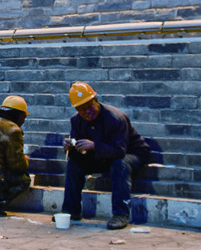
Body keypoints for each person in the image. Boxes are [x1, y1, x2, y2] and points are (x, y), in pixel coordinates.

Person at [62, 81, 150, 230]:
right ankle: (71, 210)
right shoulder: (76, 121)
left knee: (120, 164)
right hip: (103, 155)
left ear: (96, 100)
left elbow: (120, 150)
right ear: (77, 110)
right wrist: (70, 147)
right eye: (82, 110)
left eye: (90, 106)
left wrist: (94, 146)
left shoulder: (115, 118)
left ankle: (120, 214)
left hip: (131, 153)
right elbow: (79, 150)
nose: (88, 112)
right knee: (74, 163)